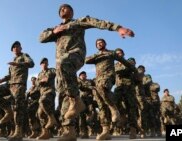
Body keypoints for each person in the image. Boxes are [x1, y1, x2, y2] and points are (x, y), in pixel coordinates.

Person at [39, 3, 134, 141]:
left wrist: (118, 28)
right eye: (60, 9)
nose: (62, 9)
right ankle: (69, 131)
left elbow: (98, 23)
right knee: (63, 95)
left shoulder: (78, 22)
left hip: (75, 55)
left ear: (72, 12)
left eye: (65, 8)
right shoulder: (56, 29)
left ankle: (78, 100)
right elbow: (41, 38)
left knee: (64, 65)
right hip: (62, 67)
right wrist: (55, 31)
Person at [85, 39, 135, 140]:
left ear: (105, 43)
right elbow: (86, 60)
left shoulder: (111, 53)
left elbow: (124, 61)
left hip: (108, 77)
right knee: (101, 105)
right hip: (98, 80)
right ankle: (105, 131)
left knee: (102, 87)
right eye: (97, 43)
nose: (99, 44)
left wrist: (134, 69)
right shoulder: (96, 56)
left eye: (101, 42)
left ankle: (114, 108)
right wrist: (99, 55)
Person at [0, 41, 34, 141]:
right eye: (14, 48)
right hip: (10, 84)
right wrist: (3, 79)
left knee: (17, 107)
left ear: (20, 48)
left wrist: (18, 63)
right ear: (12, 50)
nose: (15, 48)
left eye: (17, 47)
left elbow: (31, 64)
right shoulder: (12, 62)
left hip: (19, 84)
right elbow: (10, 75)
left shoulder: (24, 55)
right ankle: (8, 111)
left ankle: (18, 132)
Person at [35, 58, 57, 139]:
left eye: (46, 63)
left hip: (50, 92)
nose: (44, 64)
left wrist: (48, 77)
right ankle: (46, 132)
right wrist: (41, 81)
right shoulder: (40, 74)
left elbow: (57, 72)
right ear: (40, 65)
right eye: (43, 63)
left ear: (48, 64)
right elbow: (37, 83)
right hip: (42, 93)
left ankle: (52, 118)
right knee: (40, 113)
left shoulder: (51, 70)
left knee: (42, 100)